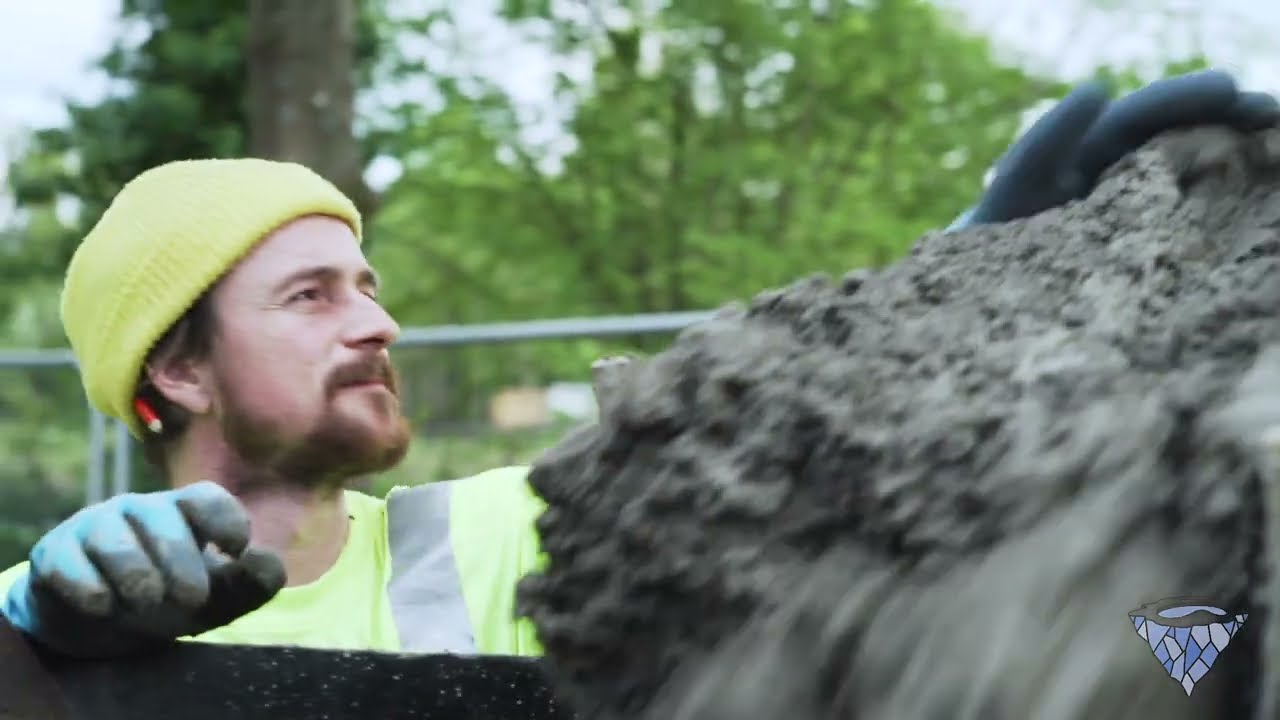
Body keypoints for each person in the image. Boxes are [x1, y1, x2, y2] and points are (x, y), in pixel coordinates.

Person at [0, 69, 1274, 662]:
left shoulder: (500, 536)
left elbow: (759, 423)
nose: (377, 323)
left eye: (371, 285)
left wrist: (967, 274)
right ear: (175, 376)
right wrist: (36, 641)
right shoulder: (51, 605)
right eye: (310, 295)